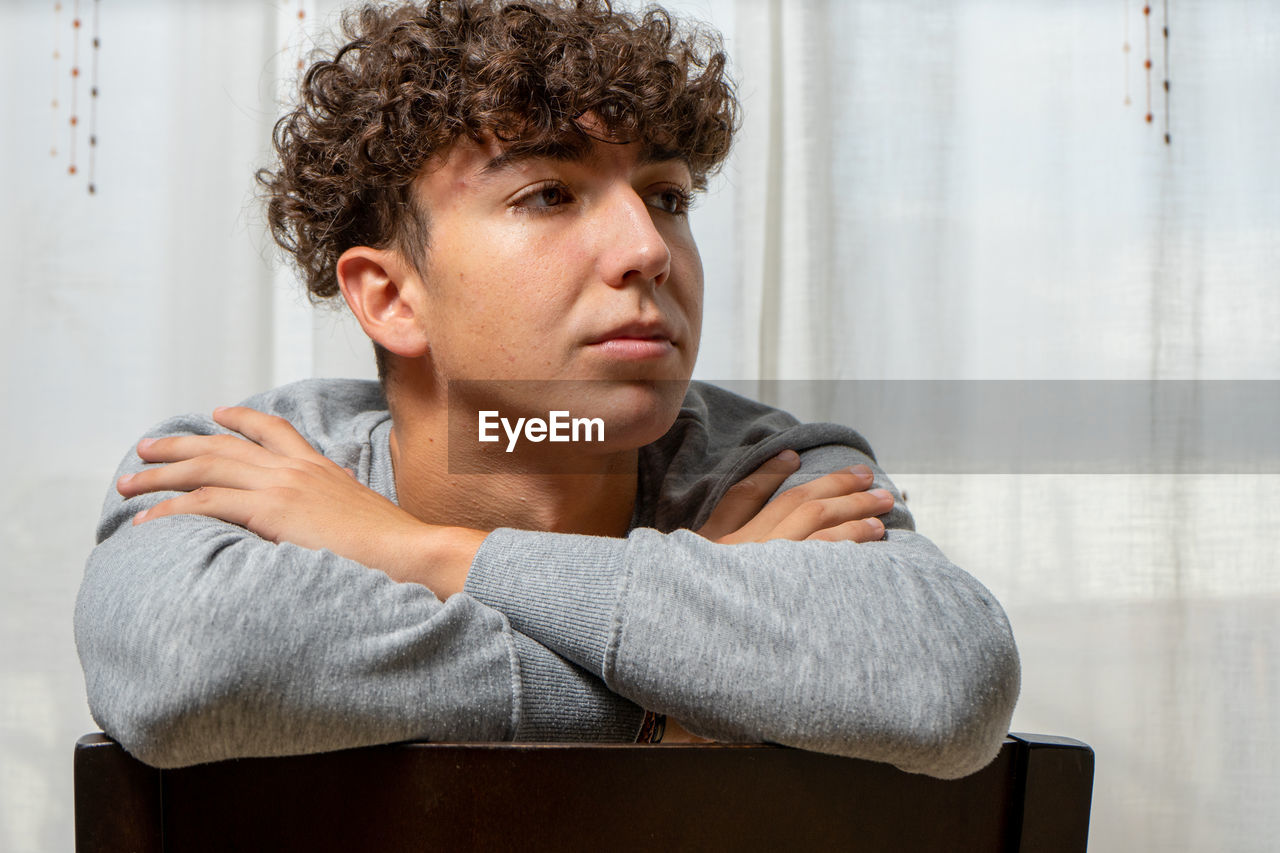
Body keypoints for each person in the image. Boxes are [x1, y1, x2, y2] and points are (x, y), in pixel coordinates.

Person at [75, 0, 1019, 779]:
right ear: (394, 297)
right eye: (551, 195)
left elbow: (949, 684)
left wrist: (420, 551)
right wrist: (682, 690)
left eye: (667, 195)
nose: (649, 249)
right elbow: (186, 674)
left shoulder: (777, 473)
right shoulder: (244, 471)